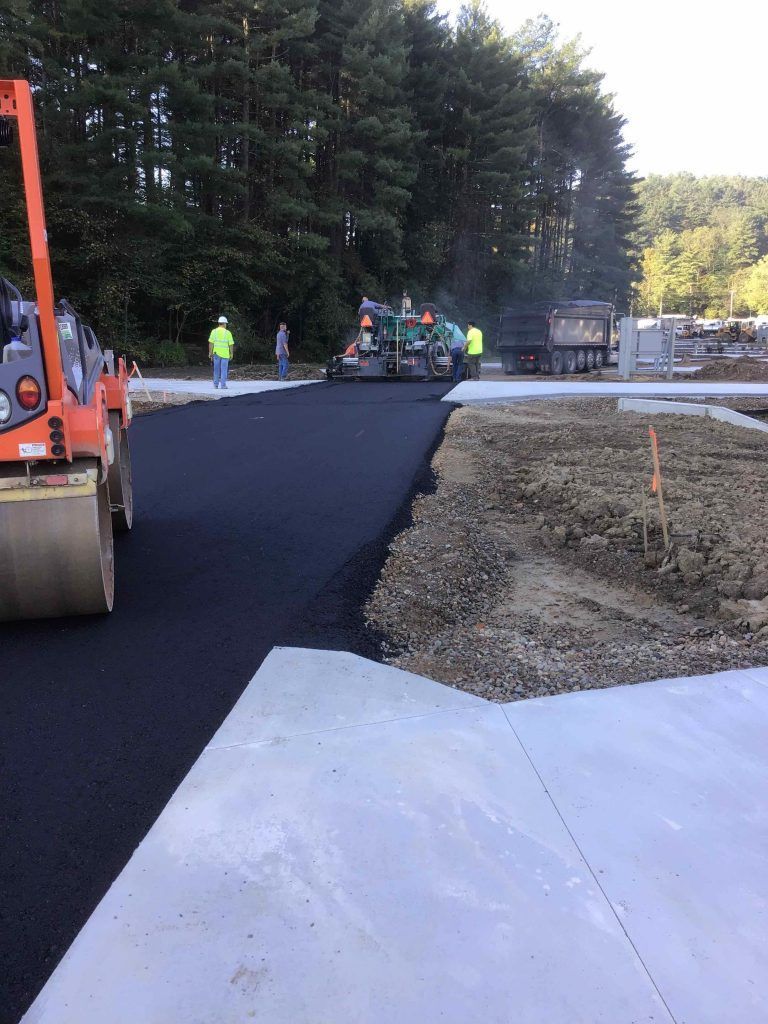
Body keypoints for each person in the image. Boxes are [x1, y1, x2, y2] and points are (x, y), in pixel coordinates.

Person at [208, 316, 234, 389]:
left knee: (216, 369)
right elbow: (231, 344)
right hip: (225, 355)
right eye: (226, 323)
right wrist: (231, 353)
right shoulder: (228, 333)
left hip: (216, 354)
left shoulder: (214, 331)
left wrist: (210, 353)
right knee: (224, 370)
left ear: (219, 323)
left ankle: (216, 385)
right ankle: (223, 385)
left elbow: (211, 343)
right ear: (224, 324)